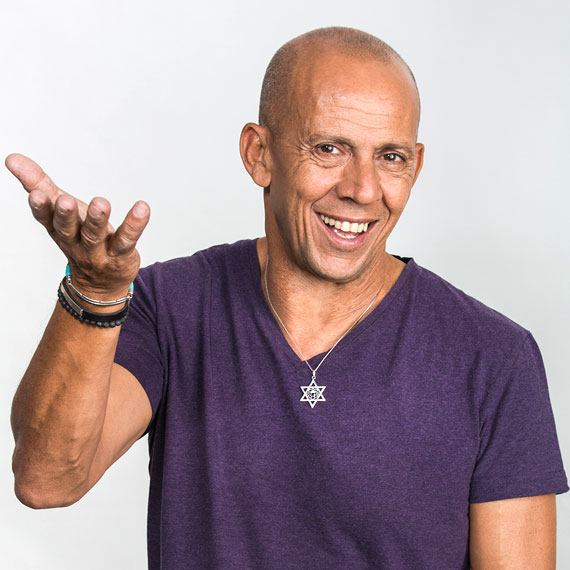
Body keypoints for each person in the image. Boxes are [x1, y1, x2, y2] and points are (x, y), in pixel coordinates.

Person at [7, 26, 568, 570]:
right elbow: (47, 479)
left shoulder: (494, 358)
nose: (362, 189)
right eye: (329, 148)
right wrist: (93, 293)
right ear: (259, 154)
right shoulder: (170, 308)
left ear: (415, 166)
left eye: (391, 157)